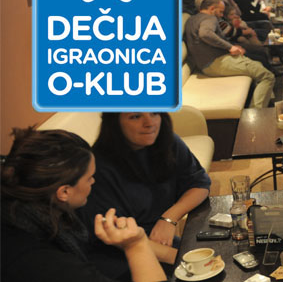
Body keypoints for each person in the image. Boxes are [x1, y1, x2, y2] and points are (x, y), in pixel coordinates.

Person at [1, 127, 165, 282]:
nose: (93, 181)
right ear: (64, 192)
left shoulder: (22, 204)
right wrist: (136, 244)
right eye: (89, 177)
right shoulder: (40, 261)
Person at [77, 113, 211, 279]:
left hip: (155, 239)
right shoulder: (98, 169)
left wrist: (169, 218)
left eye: (154, 113)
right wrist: (184, 260)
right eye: (135, 117)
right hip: (118, 253)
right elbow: (118, 237)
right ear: (114, 122)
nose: (149, 123)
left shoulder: (167, 142)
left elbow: (199, 184)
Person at [184, 0, 275, 108]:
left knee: (259, 64)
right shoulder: (210, 18)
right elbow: (205, 34)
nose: (222, 15)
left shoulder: (192, 19)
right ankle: (256, 112)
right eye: (220, 12)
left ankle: (268, 103)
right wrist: (230, 47)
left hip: (207, 64)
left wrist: (231, 47)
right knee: (267, 76)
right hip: (215, 63)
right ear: (212, 9)